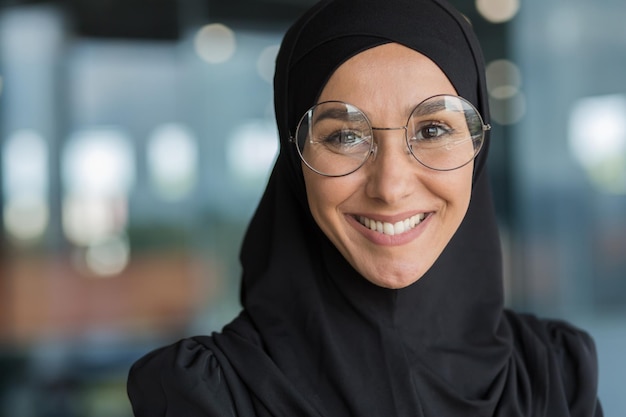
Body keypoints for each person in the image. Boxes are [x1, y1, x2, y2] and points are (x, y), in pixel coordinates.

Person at [127, 0, 603, 415]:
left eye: (433, 129)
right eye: (344, 136)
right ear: (296, 161)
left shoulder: (555, 375)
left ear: (478, 152)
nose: (391, 186)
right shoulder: (208, 396)